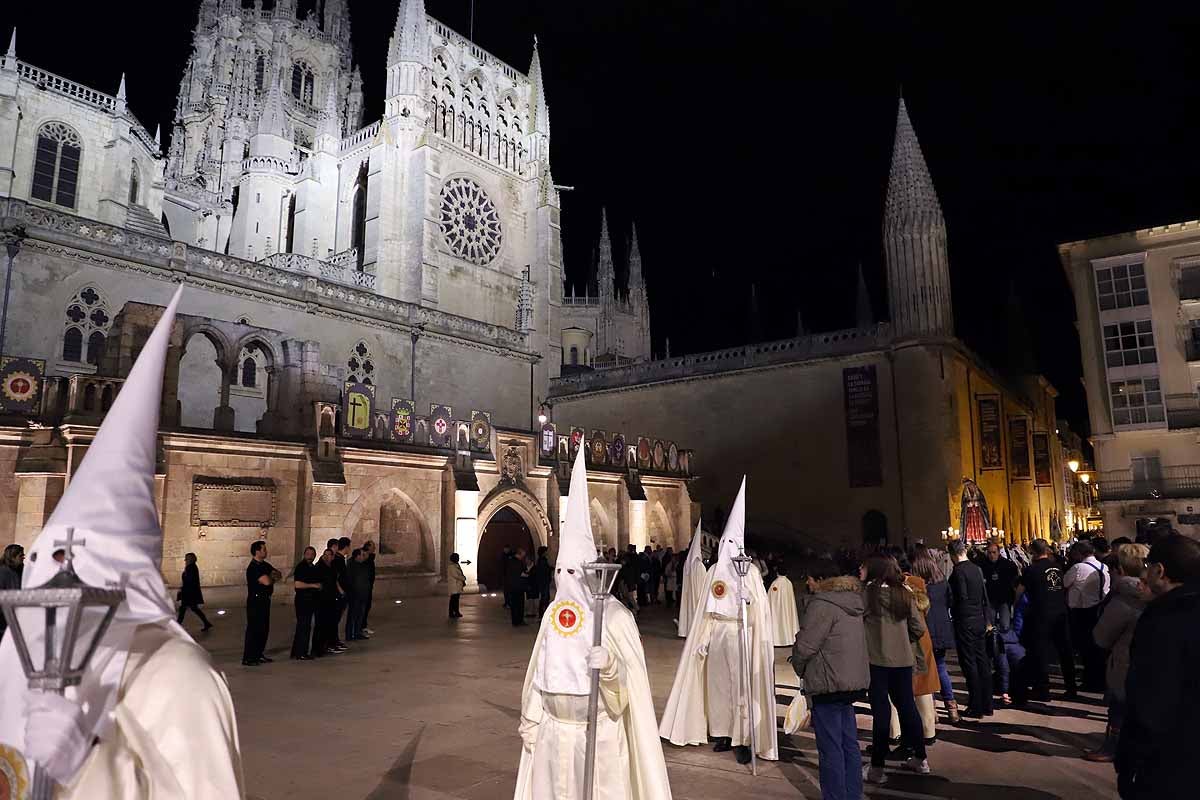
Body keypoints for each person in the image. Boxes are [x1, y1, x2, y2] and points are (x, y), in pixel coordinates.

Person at [0, 287, 245, 798]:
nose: (61, 575)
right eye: (50, 556)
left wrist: (88, 766)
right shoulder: (15, 658)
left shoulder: (179, 678)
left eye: (81, 558)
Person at [513, 448, 672, 800]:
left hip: (596, 733)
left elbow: (625, 696)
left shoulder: (613, 617)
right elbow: (540, 669)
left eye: (573, 572)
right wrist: (532, 716)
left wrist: (612, 667)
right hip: (553, 735)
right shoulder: (554, 616)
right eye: (560, 572)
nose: (564, 579)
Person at [660, 477, 778, 766]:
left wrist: (747, 599)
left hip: (741, 633)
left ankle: (742, 736)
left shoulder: (748, 573)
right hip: (718, 634)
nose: (725, 547)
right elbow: (706, 611)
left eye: (730, 543)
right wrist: (702, 639)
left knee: (741, 686)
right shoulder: (713, 572)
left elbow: (760, 609)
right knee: (719, 686)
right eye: (723, 542)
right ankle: (723, 733)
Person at [1115, 533, 1200, 799]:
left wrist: (1129, 759)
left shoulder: (1163, 620)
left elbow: (1150, 698)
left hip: (1170, 757)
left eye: (1147, 566)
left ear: (1160, 571)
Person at [791, 558, 868, 800]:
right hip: (849, 681)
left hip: (828, 682)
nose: (809, 583)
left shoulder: (822, 604)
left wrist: (799, 666)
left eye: (811, 579)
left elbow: (805, 646)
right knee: (849, 744)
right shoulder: (851, 601)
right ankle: (852, 794)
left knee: (830, 748)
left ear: (822, 580)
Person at [861, 553, 929, 784]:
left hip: (877, 661)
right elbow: (918, 628)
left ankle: (877, 768)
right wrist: (902, 640)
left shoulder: (868, 595)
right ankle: (920, 758)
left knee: (881, 713)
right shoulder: (904, 593)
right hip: (903, 661)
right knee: (908, 708)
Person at [1084, 542, 1148, 762]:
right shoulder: (1153, 592)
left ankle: (1112, 748)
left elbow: (1102, 636)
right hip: (1148, 661)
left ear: (1120, 569)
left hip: (1125, 662)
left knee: (1118, 709)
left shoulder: (1124, 597)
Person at [1014, 538, 1076, 705]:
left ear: (1032, 552)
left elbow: (1020, 591)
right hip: (1060, 612)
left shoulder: (1031, 570)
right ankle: (1071, 687)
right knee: (1065, 651)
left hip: (1041, 614)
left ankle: (1043, 690)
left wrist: (1015, 605)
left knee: (1040, 652)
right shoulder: (1057, 567)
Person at [911, 545, 958, 722]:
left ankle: (933, 710)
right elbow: (949, 602)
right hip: (943, 628)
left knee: (926, 671)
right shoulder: (941, 579)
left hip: (926, 631)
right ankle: (952, 707)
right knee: (941, 668)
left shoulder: (917, 583)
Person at [948, 540, 993, 718]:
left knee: (969, 662)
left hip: (965, 620)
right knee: (982, 660)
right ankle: (987, 703)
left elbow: (961, 598)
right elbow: (984, 596)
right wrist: (986, 618)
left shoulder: (958, 572)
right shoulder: (977, 568)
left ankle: (976, 704)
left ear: (952, 554)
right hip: (979, 619)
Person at [1064, 539, 1110, 693]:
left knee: (1085, 648)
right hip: (1098, 610)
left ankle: (1089, 680)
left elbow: (1065, 583)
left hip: (1081, 612)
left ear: (1079, 553)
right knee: (1096, 647)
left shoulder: (1078, 567)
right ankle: (1099, 679)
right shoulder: (1103, 566)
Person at [243, 540, 279, 667]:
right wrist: (271, 577)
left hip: (265, 600)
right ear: (257, 551)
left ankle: (259, 654)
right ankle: (249, 657)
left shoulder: (264, 565)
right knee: (254, 629)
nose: (266, 551)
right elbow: (267, 581)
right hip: (255, 601)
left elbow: (278, 574)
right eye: (263, 549)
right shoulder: (253, 567)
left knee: (264, 628)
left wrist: (271, 577)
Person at [312, 548, 346, 657]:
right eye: (325, 555)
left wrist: (340, 591)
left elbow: (334, 580)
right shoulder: (319, 567)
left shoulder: (331, 567)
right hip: (322, 600)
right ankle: (320, 648)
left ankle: (329, 644)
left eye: (329, 555)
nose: (327, 557)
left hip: (331, 598)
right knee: (321, 625)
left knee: (330, 623)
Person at [290, 546, 322, 660]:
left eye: (312, 554)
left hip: (310, 600)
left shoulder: (311, 567)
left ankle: (296, 651)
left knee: (304, 626)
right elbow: (297, 584)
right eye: (308, 553)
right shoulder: (301, 567)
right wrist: (314, 585)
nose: (310, 556)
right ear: (304, 554)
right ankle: (301, 653)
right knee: (304, 626)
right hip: (303, 600)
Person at [676, 521, 707, 637]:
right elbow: (704, 582)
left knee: (689, 610)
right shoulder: (699, 566)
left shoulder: (687, 563)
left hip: (689, 594)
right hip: (698, 594)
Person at [982, 541, 1019, 631]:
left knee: (1005, 626)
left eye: (994, 552)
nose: (992, 555)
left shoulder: (1008, 565)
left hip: (1004, 599)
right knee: (990, 626)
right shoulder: (982, 565)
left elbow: (1015, 581)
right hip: (990, 599)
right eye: (989, 553)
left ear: (998, 552)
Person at [176, 552, 213, 633]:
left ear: (191, 559)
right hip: (190, 592)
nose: (185, 560)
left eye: (187, 558)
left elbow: (189, 581)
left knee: (183, 609)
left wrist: (182, 590)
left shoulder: (191, 568)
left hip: (189, 593)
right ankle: (206, 623)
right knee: (193, 608)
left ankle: (176, 627)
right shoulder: (191, 567)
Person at [768, 564, 801, 647]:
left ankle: (778, 640)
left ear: (777, 572)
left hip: (777, 610)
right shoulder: (789, 583)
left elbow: (770, 597)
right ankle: (789, 639)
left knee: (779, 621)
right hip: (787, 609)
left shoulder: (775, 583)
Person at [0, 543, 26, 642]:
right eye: (20, 555)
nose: (23, 557)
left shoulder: (21, 571)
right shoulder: (2, 572)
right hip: (4, 619)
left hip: (16, 618)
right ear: (12, 556)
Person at [345, 547, 371, 641]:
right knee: (352, 615)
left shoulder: (362, 564)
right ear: (357, 556)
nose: (364, 557)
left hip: (362, 594)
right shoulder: (351, 565)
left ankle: (357, 633)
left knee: (360, 615)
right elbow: (350, 581)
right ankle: (349, 635)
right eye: (362, 555)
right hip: (355, 595)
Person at [505, 547, 528, 626]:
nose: (523, 557)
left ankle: (515, 621)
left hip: (512, 586)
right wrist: (528, 574)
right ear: (520, 554)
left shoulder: (511, 561)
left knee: (514, 604)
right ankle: (519, 620)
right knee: (519, 604)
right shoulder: (518, 562)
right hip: (518, 586)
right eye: (523, 555)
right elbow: (521, 573)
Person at [361, 539, 377, 636]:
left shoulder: (370, 558)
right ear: (368, 547)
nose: (374, 548)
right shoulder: (365, 557)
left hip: (368, 586)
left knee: (366, 606)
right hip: (364, 587)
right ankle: (361, 627)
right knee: (363, 607)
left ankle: (363, 626)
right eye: (373, 546)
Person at [530, 546, 552, 615]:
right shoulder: (542, 560)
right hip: (544, 581)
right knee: (544, 597)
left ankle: (542, 612)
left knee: (544, 597)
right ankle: (543, 612)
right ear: (544, 552)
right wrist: (550, 569)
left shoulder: (541, 560)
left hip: (543, 581)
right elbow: (544, 571)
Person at [448, 552, 466, 618]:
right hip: (454, 585)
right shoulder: (452, 567)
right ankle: (451, 613)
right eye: (457, 558)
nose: (458, 559)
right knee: (453, 600)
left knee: (456, 600)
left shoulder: (456, 565)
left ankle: (456, 612)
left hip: (457, 585)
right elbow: (455, 575)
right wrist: (463, 578)